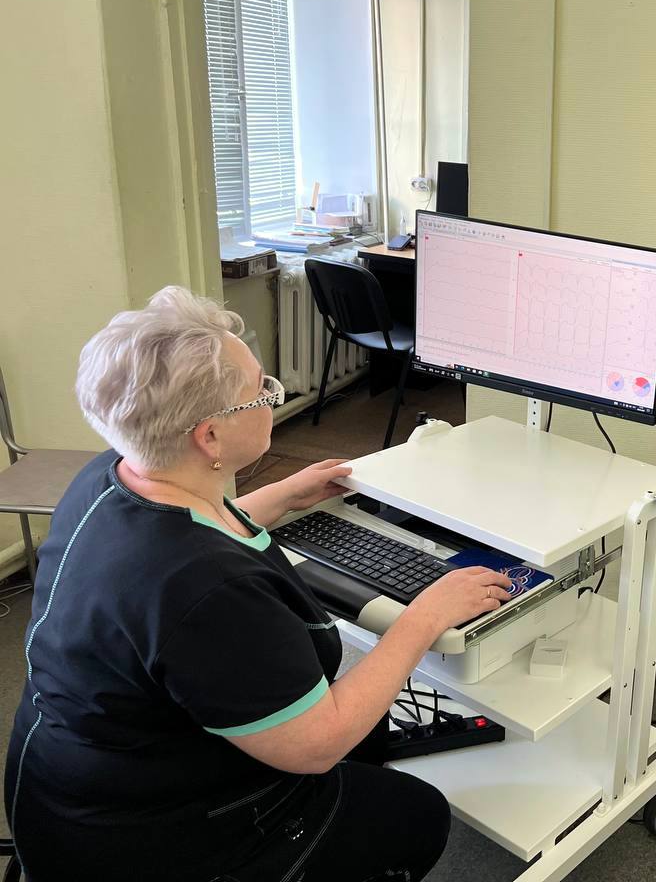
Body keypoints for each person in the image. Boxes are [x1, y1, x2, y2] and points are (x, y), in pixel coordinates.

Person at [4, 287, 513, 881]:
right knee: (416, 814)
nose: (273, 396)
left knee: (370, 727)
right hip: (146, 839)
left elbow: (185, 525)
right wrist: (423, 617)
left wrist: (282, 495)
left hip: (61, 781)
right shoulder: (210, 592)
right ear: (209, 437)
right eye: (262, 392)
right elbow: (318, 745)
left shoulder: (111, 474)